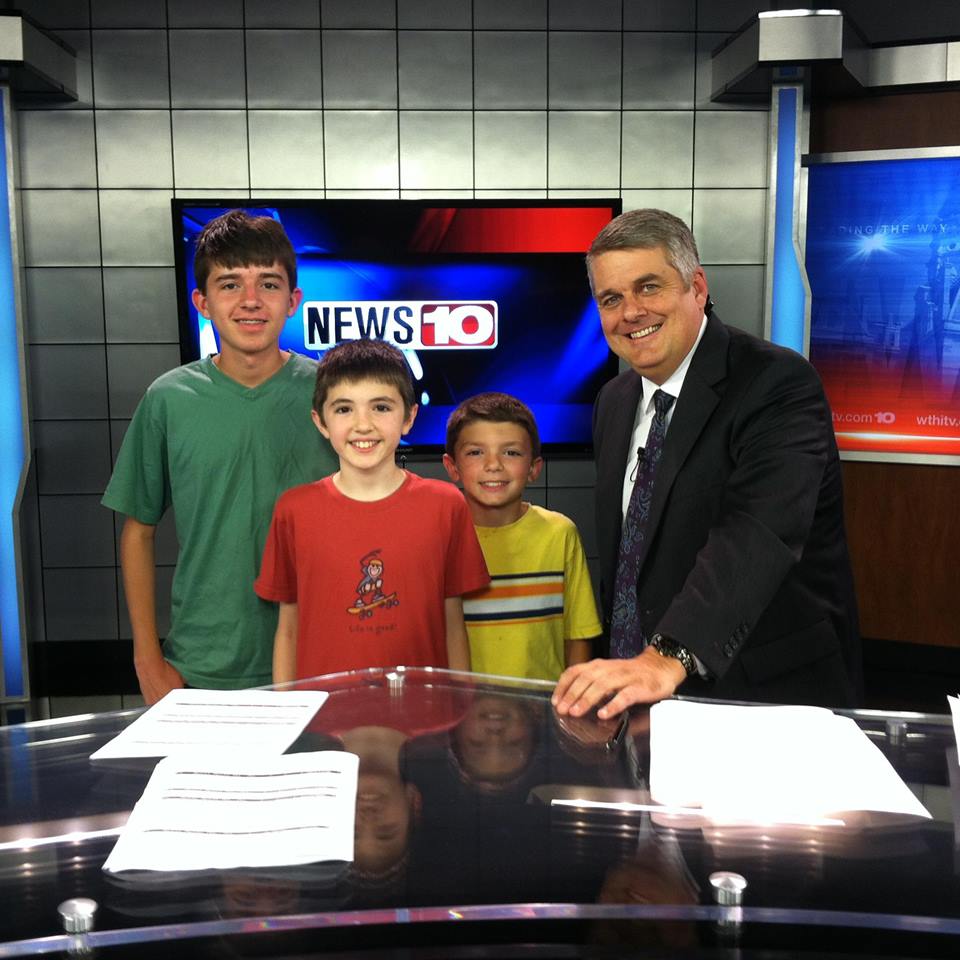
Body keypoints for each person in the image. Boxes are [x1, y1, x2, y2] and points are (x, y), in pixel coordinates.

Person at [553, 208, 861, 719]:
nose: (630, 312)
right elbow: (635, 561)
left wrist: (668, 654)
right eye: (611, 298)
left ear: (696, 287)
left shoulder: (777, 382)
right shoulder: (613, 399)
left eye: (648, 287)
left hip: (763, 698)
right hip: (640, 703)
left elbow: (757, 533)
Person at [102, 210, 337, 703]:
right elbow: (138, 533)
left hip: (324, 661)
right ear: (202, 302)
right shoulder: (168, 399)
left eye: (268, 284)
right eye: (230, 285)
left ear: (293, 301)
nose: (251, 301)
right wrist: (147, 658)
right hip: (202, 669)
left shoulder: (334, 395)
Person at [255, 338, 489, 681]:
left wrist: (460, 710)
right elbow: (288, 628)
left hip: (423, 716)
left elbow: (453, 623)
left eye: (380, 407)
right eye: (344, 409)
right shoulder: (294, 510)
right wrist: (289, 715)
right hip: (322, 721)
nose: (363, 425)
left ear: (409, 417)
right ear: (321, 422)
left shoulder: (445, 505)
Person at [443, 392, 601, 681]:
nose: (494, 465)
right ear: (452, 466)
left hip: (545, 714)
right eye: (476, 452)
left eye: (511, 452)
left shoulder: (560, 533)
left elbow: (578, 636)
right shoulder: (440, 539)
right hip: (463, 716)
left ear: (534, 468)